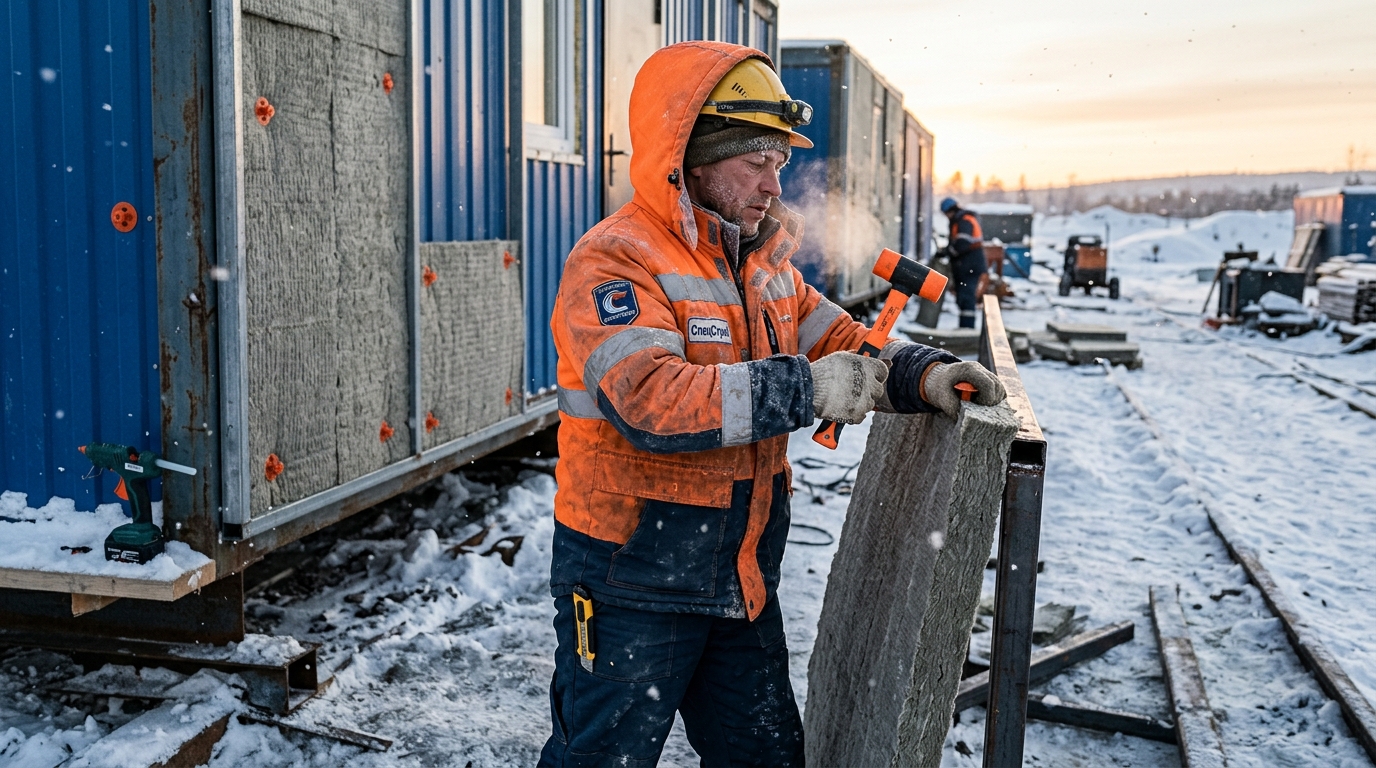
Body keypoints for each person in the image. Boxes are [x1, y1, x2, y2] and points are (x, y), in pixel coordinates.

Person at [540, 42, 1006, 767]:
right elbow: (651, 401)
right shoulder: (617, 258)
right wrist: (805, 389)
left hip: (740, 576)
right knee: (600, 759)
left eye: (781, 161)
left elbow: (843, 341)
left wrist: (924, 375)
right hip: (631, 579)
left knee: (766, 757)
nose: (773, 182)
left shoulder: (765, 265)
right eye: (756, 161)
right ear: (692, 156)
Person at [939, 197, 987, 328]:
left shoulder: (964, 221)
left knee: (966, 297)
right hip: (967, 265)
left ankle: (967, 328)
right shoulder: (961, 220)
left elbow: (962, 244)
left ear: (950, 211)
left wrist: (948, 252)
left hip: (969, 265)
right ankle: (965, 326)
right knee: (963, 296)